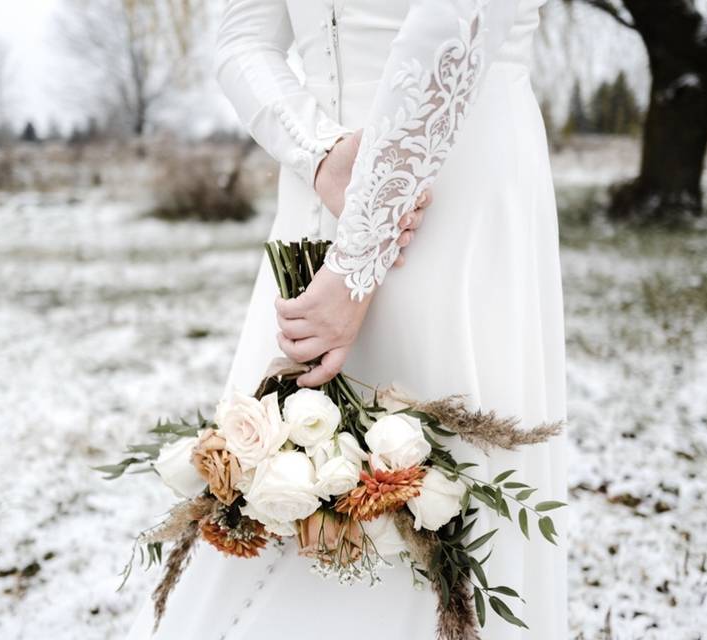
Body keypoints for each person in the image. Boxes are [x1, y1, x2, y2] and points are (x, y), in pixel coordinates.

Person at [126, 0, 567, 637]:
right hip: (320, 179)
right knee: (282, 464)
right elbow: (240, 40)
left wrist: (359, 261)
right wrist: (321, 153)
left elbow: (458, 22)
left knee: (452, 472)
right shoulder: (322, 162)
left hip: (454, 171)